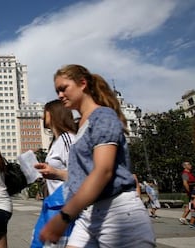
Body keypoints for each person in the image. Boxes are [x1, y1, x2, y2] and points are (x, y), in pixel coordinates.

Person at [39, 64, 155, 247]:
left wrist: (64, 216)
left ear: (82, 83)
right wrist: (57, 174)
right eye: (57, 91)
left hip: (118, 214)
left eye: (63, 89)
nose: (60, 95)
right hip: (88, 214)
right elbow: (84, 175)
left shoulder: (103, 116)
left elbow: (103, 171)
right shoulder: (80, 126)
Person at [31, 99, 77, 248]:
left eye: (46, 112)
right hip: (54, 205)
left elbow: (81, 175)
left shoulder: (68, 139)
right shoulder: (56, 142)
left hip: (65, 207)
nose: (43, 116)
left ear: (53, 113)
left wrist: (55, 172)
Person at [179, 161, 195, 225]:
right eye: (188, 164)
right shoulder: (185, 174)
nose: (190, 165)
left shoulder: (189, 173)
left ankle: (183, 218)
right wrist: (189, 192)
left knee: (190, 205)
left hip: (192, 191)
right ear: (184, 166)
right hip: (192, 191)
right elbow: (185, 183)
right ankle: (191, 220)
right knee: (192, 205)